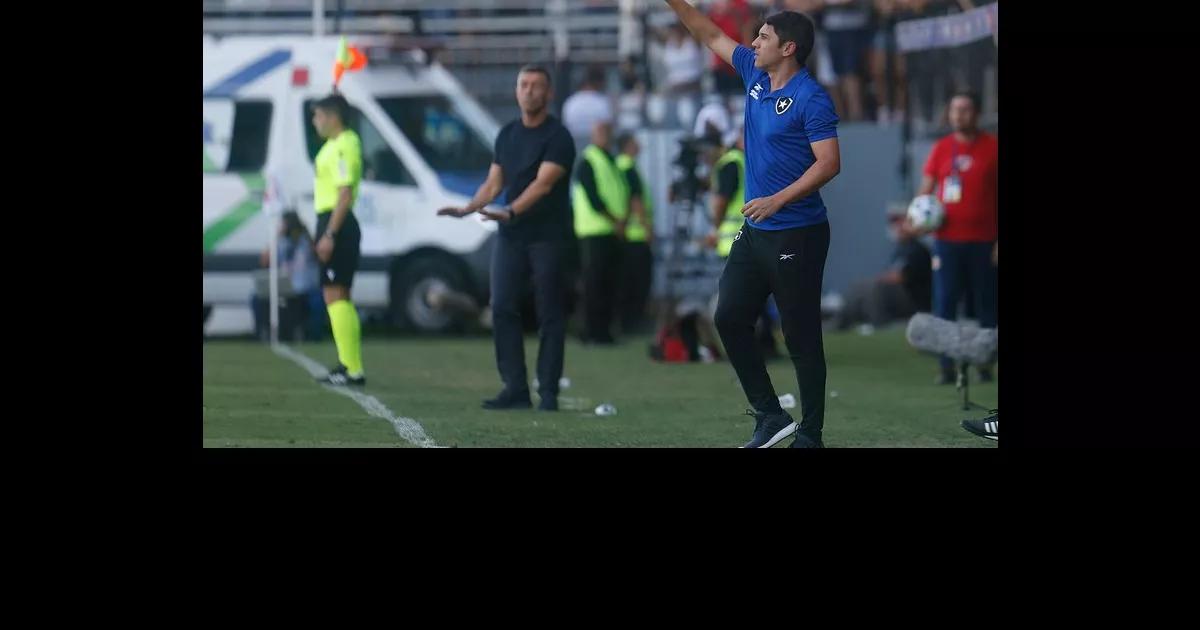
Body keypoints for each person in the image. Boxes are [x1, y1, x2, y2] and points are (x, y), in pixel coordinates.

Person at [665, 1, 842, 448]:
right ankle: (769, 414)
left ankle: (812, 435)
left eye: (762, 37)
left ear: (788, 48)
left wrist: (777, 200)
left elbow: (829, 163)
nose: (753, 42)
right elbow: (706, 32)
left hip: (798, 232)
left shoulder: (811, 97)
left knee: (800, 336)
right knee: (728, 316)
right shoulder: (754, 75)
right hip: (757, 232)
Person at [437, 65, 576, 411]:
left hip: (548, 236)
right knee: (501, 307)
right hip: (512, 235)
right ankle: (515, 388)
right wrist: (469, 209)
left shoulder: (559, 137)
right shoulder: (507, 134)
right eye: (523, 85)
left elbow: (542, 185)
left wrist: (511, 210)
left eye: (536, 86)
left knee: (549, 314)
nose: (529, 91)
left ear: (549, 94)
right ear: (516, 91)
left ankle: (548, 393)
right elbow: (494, 182)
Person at [917, 91, 997, 384]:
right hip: (947, 242)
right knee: (945, 303)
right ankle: (946, 367)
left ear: (976, 113)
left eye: (965, 109)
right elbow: (925, 192)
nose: (959, 115)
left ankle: (984, 362)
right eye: (954, 110)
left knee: (986, 304)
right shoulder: (941, 149)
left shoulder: (992, 147)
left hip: (985, 242)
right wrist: (918, 217)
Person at [705, 126, 780, 358]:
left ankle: (752, 345)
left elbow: (720, 202)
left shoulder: (731, 163)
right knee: (758, 294)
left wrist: (714, 229)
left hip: (734, 242)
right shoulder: (754, 162)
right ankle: (766, 342)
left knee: (739, 297)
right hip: (756, 236)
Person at [310, 94, 366, 386]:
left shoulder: (346, 144)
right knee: (338, 295)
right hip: (330, 220)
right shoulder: (334, 145)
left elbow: (345, 193)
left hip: (337, 222)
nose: (314, 121)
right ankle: (349, 365)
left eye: (318, 115)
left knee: (335, 294)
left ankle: (352, 368)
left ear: (333, 116)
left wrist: (330, 233)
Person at [572, 120, 628, 345]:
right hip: (594, 232)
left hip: (611, 232)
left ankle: (604, 331)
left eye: (607, 132)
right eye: (601, 132)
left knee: (608, 285)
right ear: (593, 136)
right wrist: (615, 220)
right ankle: (591, 332)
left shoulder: (610, 160)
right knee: (594, 285)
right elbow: (594, 198)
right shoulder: (588, 161)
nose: (605, 136)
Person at [833, 207, 932, 330]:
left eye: (901, 223)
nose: (897, 228)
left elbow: (899, 277)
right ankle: (841, 323)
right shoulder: (900, 248)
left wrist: (881, 278)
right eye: (895, 224)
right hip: (903, 296)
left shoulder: (916, 249)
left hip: (915, 301)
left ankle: (879, 323)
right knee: (858, 286)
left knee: (875, 287)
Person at [250, 211, 323, 342]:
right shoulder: (281, 242)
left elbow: (318, 255)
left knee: (316, 301)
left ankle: (312, 336)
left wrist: (305, 233)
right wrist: (276, 236)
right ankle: (263, 333)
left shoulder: (305, 241)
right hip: (285, 287)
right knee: (256, 299)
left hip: (304, 288)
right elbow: (264, 261)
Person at [614, 133, 654, 333]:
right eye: (635, 142)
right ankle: (634, 322)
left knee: (626, 282)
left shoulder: (618, 166)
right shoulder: (628, 167)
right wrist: (647, 228)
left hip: (626, 234)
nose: (639, 145)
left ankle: (626, 321)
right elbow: (635, 199)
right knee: (638, 283)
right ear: (628, 145)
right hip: (635, 235)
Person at [561, 65, 613, 152]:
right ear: (600, 82)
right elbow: (609, 131)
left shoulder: (570, 103)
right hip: (598, 155)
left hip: (574, 152)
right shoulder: (603, 103)